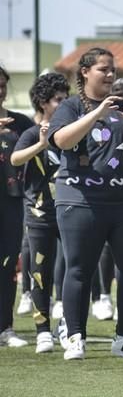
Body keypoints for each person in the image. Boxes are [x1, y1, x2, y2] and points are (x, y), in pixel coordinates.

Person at [48, 47, 123, 360]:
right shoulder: (70, 106)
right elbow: (61, 140)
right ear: (85, 72)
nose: (110, 75)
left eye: (112, 69)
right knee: (79, 268)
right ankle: (76, 335)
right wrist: (97, 113)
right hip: (80, 200)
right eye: (103, 69)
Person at [10, 72, 69, 351]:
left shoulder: (71, 131)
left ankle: (69, 325)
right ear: (44, 103)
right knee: (40, 272)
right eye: (59, 99)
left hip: (72, 213)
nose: (64, 103)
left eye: (66, 98)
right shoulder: (32, 132)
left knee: (75, 270)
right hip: (39, 215)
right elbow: (15, 158)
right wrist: (41, 145)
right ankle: (43, 329)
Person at [0, 65, 34, 347]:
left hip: (11, 202)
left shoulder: (20, 122)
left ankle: (5, 327)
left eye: (2, 84)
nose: (0, 89)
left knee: (8, 265)